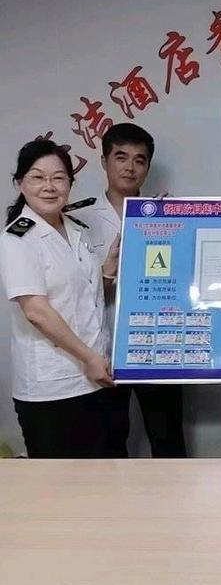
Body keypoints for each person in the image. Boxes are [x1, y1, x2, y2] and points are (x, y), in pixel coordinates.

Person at [69, 122, 187, 458]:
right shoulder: (78, 220)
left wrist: (178, 226)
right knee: (108, 440)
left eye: (139, 160)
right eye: (120, 157)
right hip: (102, 348)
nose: (130, 167)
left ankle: (174, 492)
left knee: (167, 439)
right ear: (104, 161)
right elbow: (73, 292)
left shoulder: (165, 216)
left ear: (147, 167)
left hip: (157, 344)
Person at [0, 139, 120, 458]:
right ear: (20, 183)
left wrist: (107, 270)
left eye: (58, 178)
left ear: (70, 183)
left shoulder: (77, 229)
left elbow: (83, 297)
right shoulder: (17, 238)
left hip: (95, 379)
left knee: (105, 477)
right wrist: (89, 358)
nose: (49, 187)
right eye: (38, 177)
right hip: (52, 389)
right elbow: (36, 311)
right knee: (59, 485)